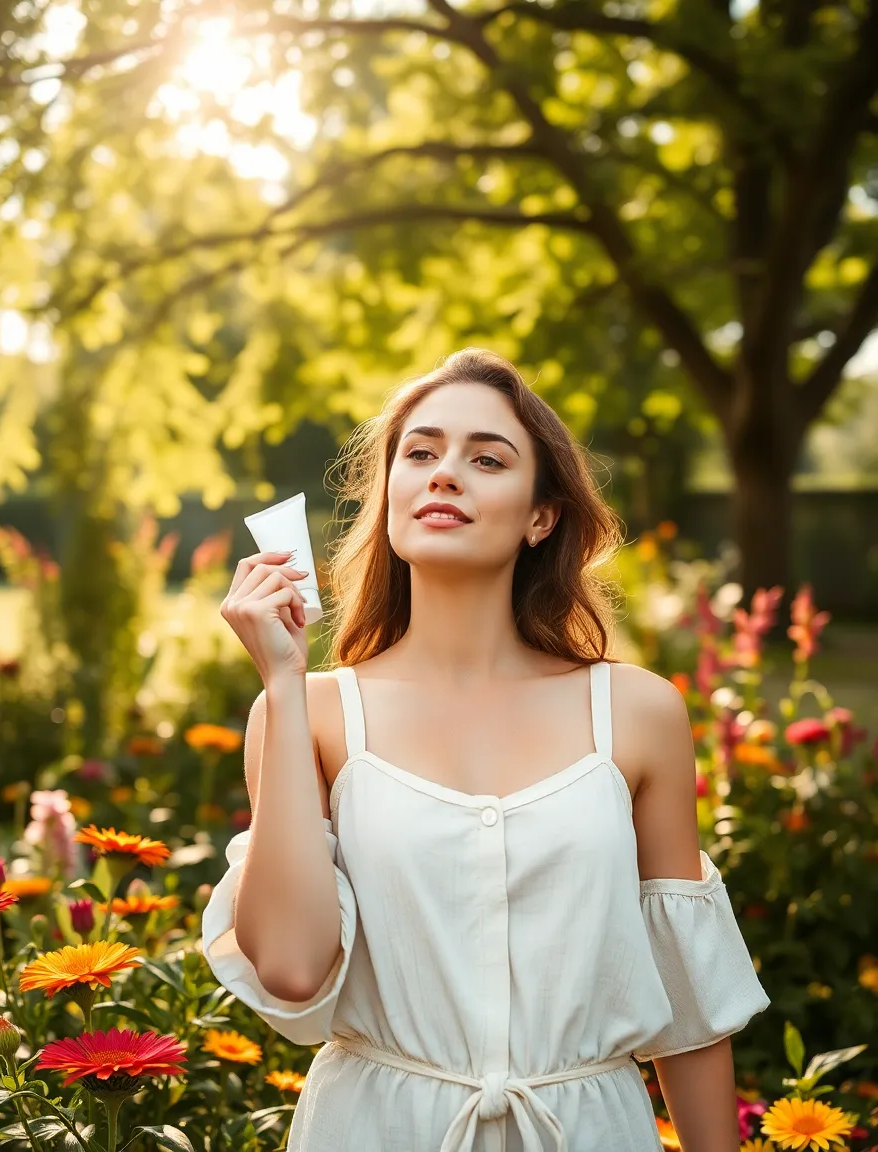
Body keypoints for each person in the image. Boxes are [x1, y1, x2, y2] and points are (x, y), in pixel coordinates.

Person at [202, 348, 770, 1152]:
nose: (444, 474)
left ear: (542, 516)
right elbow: (292, 969)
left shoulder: (636, 711)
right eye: (421, 453)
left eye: (487, 458)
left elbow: (689, 1003)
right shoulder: (310, 713)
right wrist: (285, 683)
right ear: (391, 494)